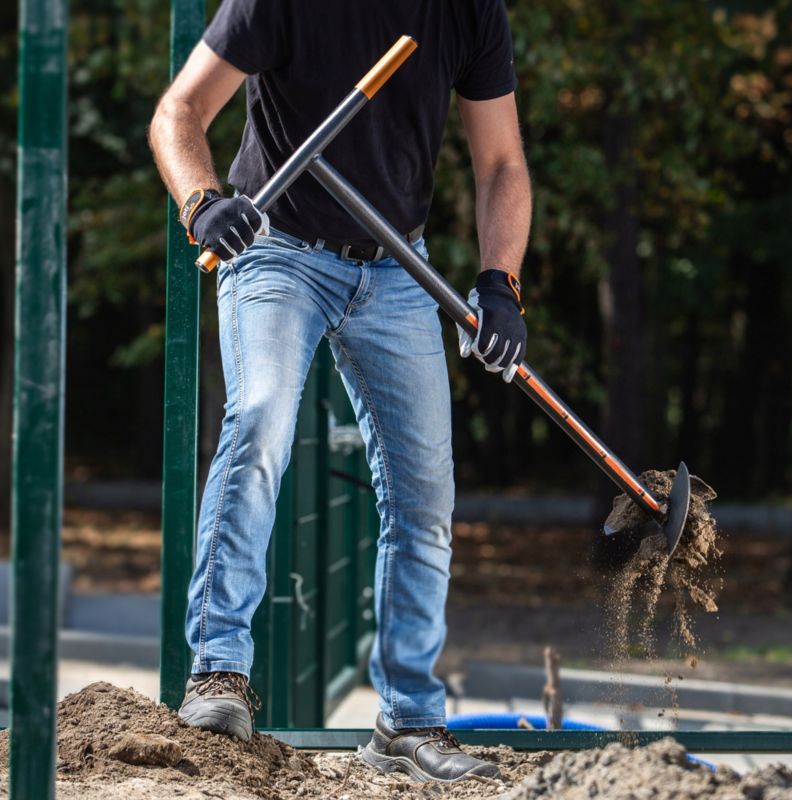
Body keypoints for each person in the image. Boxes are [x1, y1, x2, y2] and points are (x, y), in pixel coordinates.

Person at [149, 0, 531, 783]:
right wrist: (201, 201)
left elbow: (501, 163)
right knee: (258, 422)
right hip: (275, 245)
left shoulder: (467, 11)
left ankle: (407, 721)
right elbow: (178, 111)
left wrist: (500, 283)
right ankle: (217, 672)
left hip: (396, 263)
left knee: (426, 492)